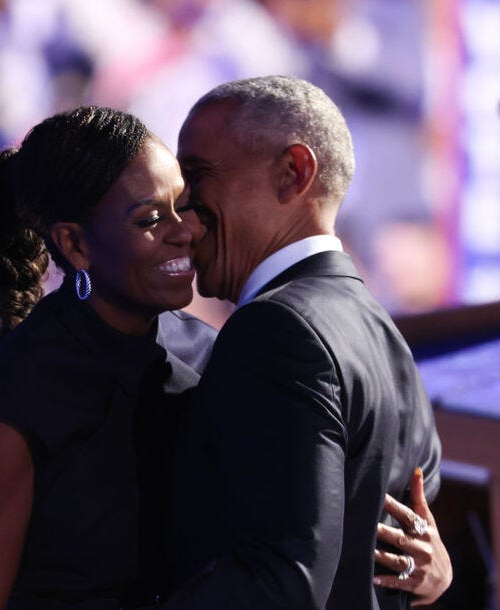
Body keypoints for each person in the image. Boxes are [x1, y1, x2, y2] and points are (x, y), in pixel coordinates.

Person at [159, 75, 449, 609]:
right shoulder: (385, 335)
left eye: (197, 178)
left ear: (293, 173)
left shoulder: (275, 330)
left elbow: (282, 581)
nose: (186, 215)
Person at [0, 106, 216, 609]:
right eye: (149, 218)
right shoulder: (10, 407)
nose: (183, 230)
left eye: (182, 205)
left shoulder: (209, 351)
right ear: (74, 244)